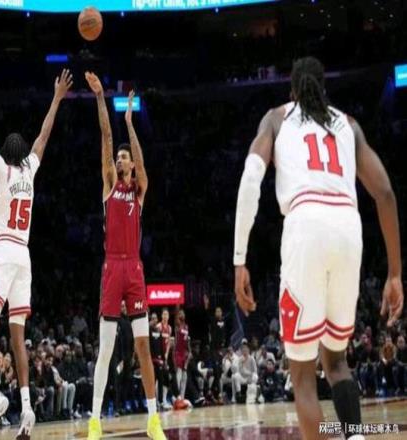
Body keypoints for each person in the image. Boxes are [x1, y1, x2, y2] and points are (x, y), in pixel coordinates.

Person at [233, 56, 404, 440]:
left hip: (305, 224)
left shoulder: (277, 118)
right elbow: (385, 194)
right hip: (348, 227)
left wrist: (239, 259)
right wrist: (394, 274)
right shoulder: (349, 124)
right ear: (322, 88)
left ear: (292, 90)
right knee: (337, 361)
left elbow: (250, 179)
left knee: (303, 375)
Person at [0, 57, 73, 440]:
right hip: (25, 255)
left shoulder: (2, 169)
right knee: (19, 335)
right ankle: (26, 408)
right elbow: (44, 135)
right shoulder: (30, 170)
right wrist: (56, 98)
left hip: (4, 249)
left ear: (6, 154)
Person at [85, 71, 166, 440]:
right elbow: (105, 135)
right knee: (105, 350)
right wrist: (101, 97)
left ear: (131, 164)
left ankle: (153, 419)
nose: (119, 160)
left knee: (143, 346)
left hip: (134, 268)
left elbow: (144, 166)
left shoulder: (139, 189)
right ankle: (95, 420)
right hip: (112, 267)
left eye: (124, 158)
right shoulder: (109, 185)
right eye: (117, 158)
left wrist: (131, 123)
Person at [156, 309, 172, 409]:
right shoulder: (158, 327)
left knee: (166, 379)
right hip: (158, 356)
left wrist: (166, 354)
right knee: (159, 379)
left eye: (167, 314)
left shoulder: (169, 328)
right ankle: (158, 401)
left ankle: (164, 399)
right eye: (164, 314)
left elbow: (169, 342)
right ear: (161, 316)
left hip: (165, 356)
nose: (165, 316)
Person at [173, 309, 191, 405]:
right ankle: (177, 397)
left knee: (185, 375)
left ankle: (182, 397)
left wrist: (189, 351)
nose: (182, 314)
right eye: (180, 313)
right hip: (178, 352)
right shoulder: (177, 326)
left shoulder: (186, 326)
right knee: (178, 375)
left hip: (184, 353)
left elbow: (187, 340)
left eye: (183, 313)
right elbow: (176, 340)